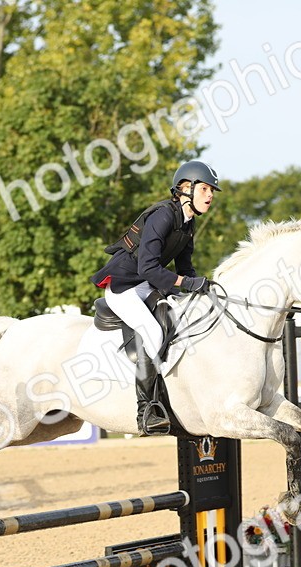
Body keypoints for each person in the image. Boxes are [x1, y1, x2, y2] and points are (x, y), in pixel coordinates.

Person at [89, 160, 219, 435]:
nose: (210, 195)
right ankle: (146, 410)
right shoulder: (163, 216)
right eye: (205, 189)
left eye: (212, 191)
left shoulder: (188, 223)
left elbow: (185, 269)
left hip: (146, 284)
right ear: (186, 188)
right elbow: (147, 267)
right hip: (124, 286)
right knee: (152, 331)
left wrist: (201, 289)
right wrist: (187, 282)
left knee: (180, 318)